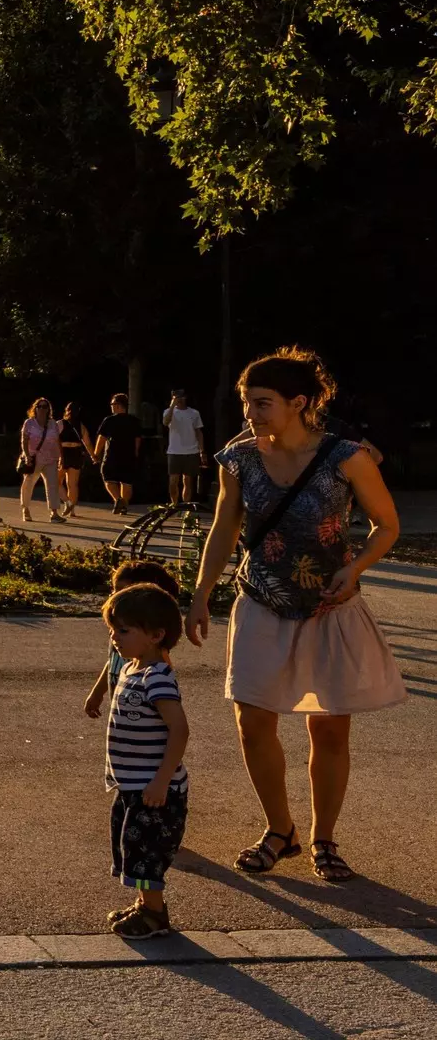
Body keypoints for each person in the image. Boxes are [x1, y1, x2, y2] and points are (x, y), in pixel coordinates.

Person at [184, 348, 405, 884]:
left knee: (328, 730)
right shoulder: (239, 460)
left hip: (331, 610)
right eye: (246, 402)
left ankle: (325, 839)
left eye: (262, 403)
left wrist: (354, 569)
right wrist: (198, 595)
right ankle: (279, 830)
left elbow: (387, 525)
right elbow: (224, 531)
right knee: (252, 721)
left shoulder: (345, 456)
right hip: (260, 601)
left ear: (299, 403)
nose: (251, 413)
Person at [100, 583, 192, 939]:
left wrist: (161, 780)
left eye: (123, 630)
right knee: (131, 848)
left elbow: (180, 731)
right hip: (131, 783)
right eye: (112, 629)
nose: (114, 637)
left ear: (156, 635)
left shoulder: (157, 679)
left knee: (146, 852)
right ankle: (145, 904)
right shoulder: (130, 669)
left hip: (153, 787)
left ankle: (154, 915)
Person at [83, 559, 184, 719]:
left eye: (124, 592)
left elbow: (175, 720)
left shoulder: (145, 646)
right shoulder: (121, 634)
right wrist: (97, 691)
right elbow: (112, 662)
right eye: (114, 591)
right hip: (122, 702)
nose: (116, 598)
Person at [93, 394, 144, 515]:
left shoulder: (109, 420)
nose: (112, 407)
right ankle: (123, 504)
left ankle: (118, 500)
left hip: (112, 454)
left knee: (108, 478)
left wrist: (96, 453)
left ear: (119, 405)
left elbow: (102, 438)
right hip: (129, 455)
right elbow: (138, 438)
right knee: (126, 481)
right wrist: (136, 452)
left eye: (113, 404)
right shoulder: (134, 420)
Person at [18, 398, 65, 524]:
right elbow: (24, 440)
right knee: (29, 483)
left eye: (45, 407)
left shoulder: (53, 424)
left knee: (52, 485)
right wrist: (27, 456)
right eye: (40, 406)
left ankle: (54, 513)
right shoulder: (29, 423)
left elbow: (57, 440)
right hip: (34, 458)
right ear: (35, 408)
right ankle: (25, 509)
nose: (43, 409)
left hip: (51, 458)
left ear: (49, 409)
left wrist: (61, 456)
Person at [162, 389, 209, 505]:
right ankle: (174, 504)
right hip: (174, 451)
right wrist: (173, 404)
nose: (180, 399)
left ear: (185, 397)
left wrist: (202, 451)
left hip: (191, 451)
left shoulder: (194, 413)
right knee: (173, 481)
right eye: (177, 397)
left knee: (187, 481)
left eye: (181, 397)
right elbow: (165, 422)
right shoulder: (169, 411)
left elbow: (199, 432)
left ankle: (186, 506)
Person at [57, 401, 93, 518]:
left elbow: (53, 439)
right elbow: (87, 442)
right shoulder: (81, 426)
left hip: (63, 453)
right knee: (73, 484)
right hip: (76, 453)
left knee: (56, 482)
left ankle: (67, 502)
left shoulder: (60, 424)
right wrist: (93, 455)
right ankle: (72, 510)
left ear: (67, 411)